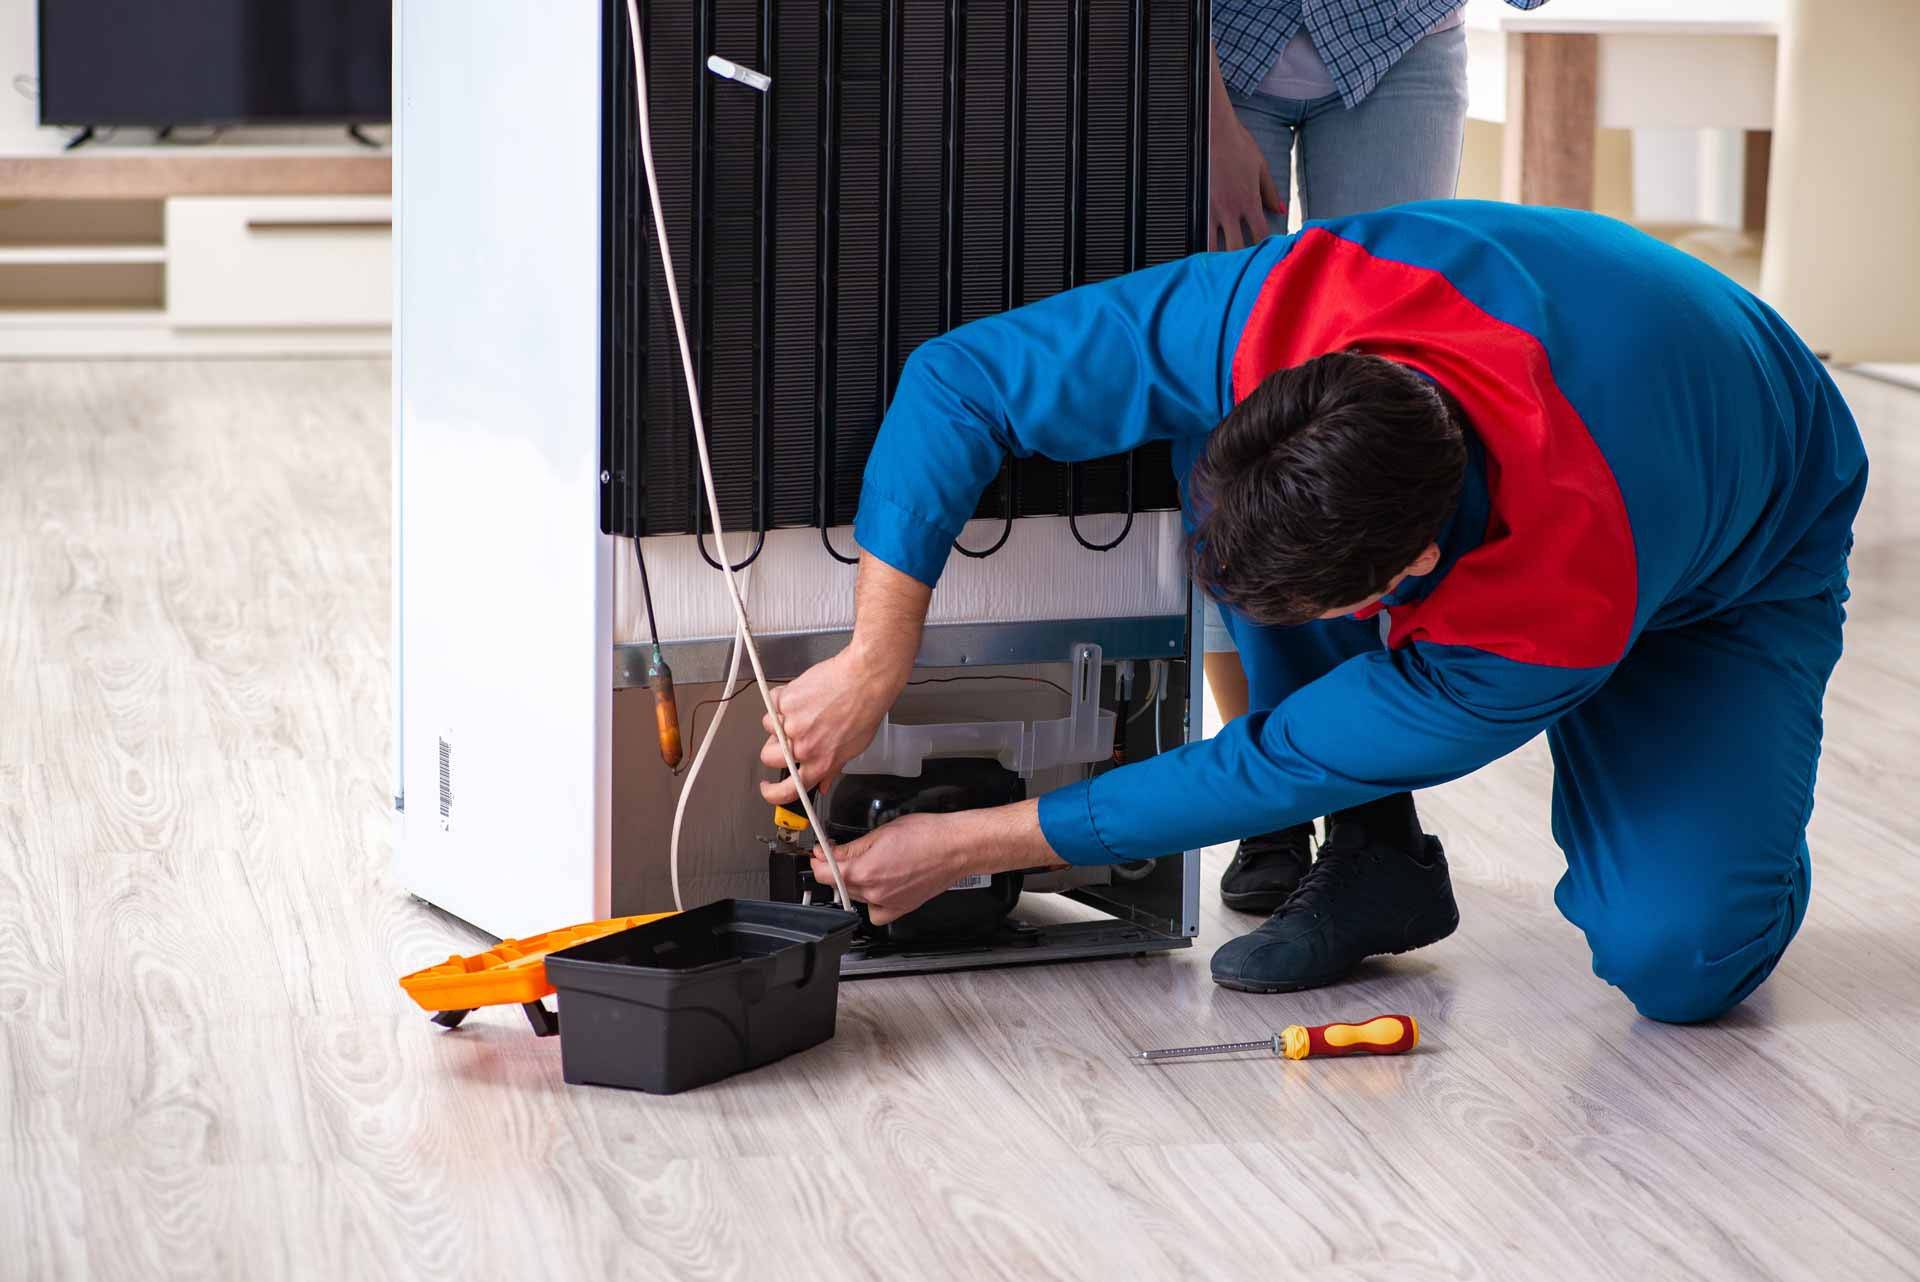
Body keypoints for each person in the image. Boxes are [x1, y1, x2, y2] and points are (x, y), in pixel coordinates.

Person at [758, 201, 1866, 1021]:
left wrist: (967, 845)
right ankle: (1379, 858)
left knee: (1679, 957)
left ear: (1415, 569)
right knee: (1227, 470)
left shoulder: (1538, 616)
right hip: (1606, 377)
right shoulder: (1294, 306)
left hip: (1740, 544)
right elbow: (964, 381)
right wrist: (875, 655)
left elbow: (1275, 760)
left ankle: (1725, 799)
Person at [1206, 0, 1549, 915]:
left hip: (1397, 43)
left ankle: (1363, 795)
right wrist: (1191, 108)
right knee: (1232, 412)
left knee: (1383, 408)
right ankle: (1267, 794)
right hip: (1213, 52)